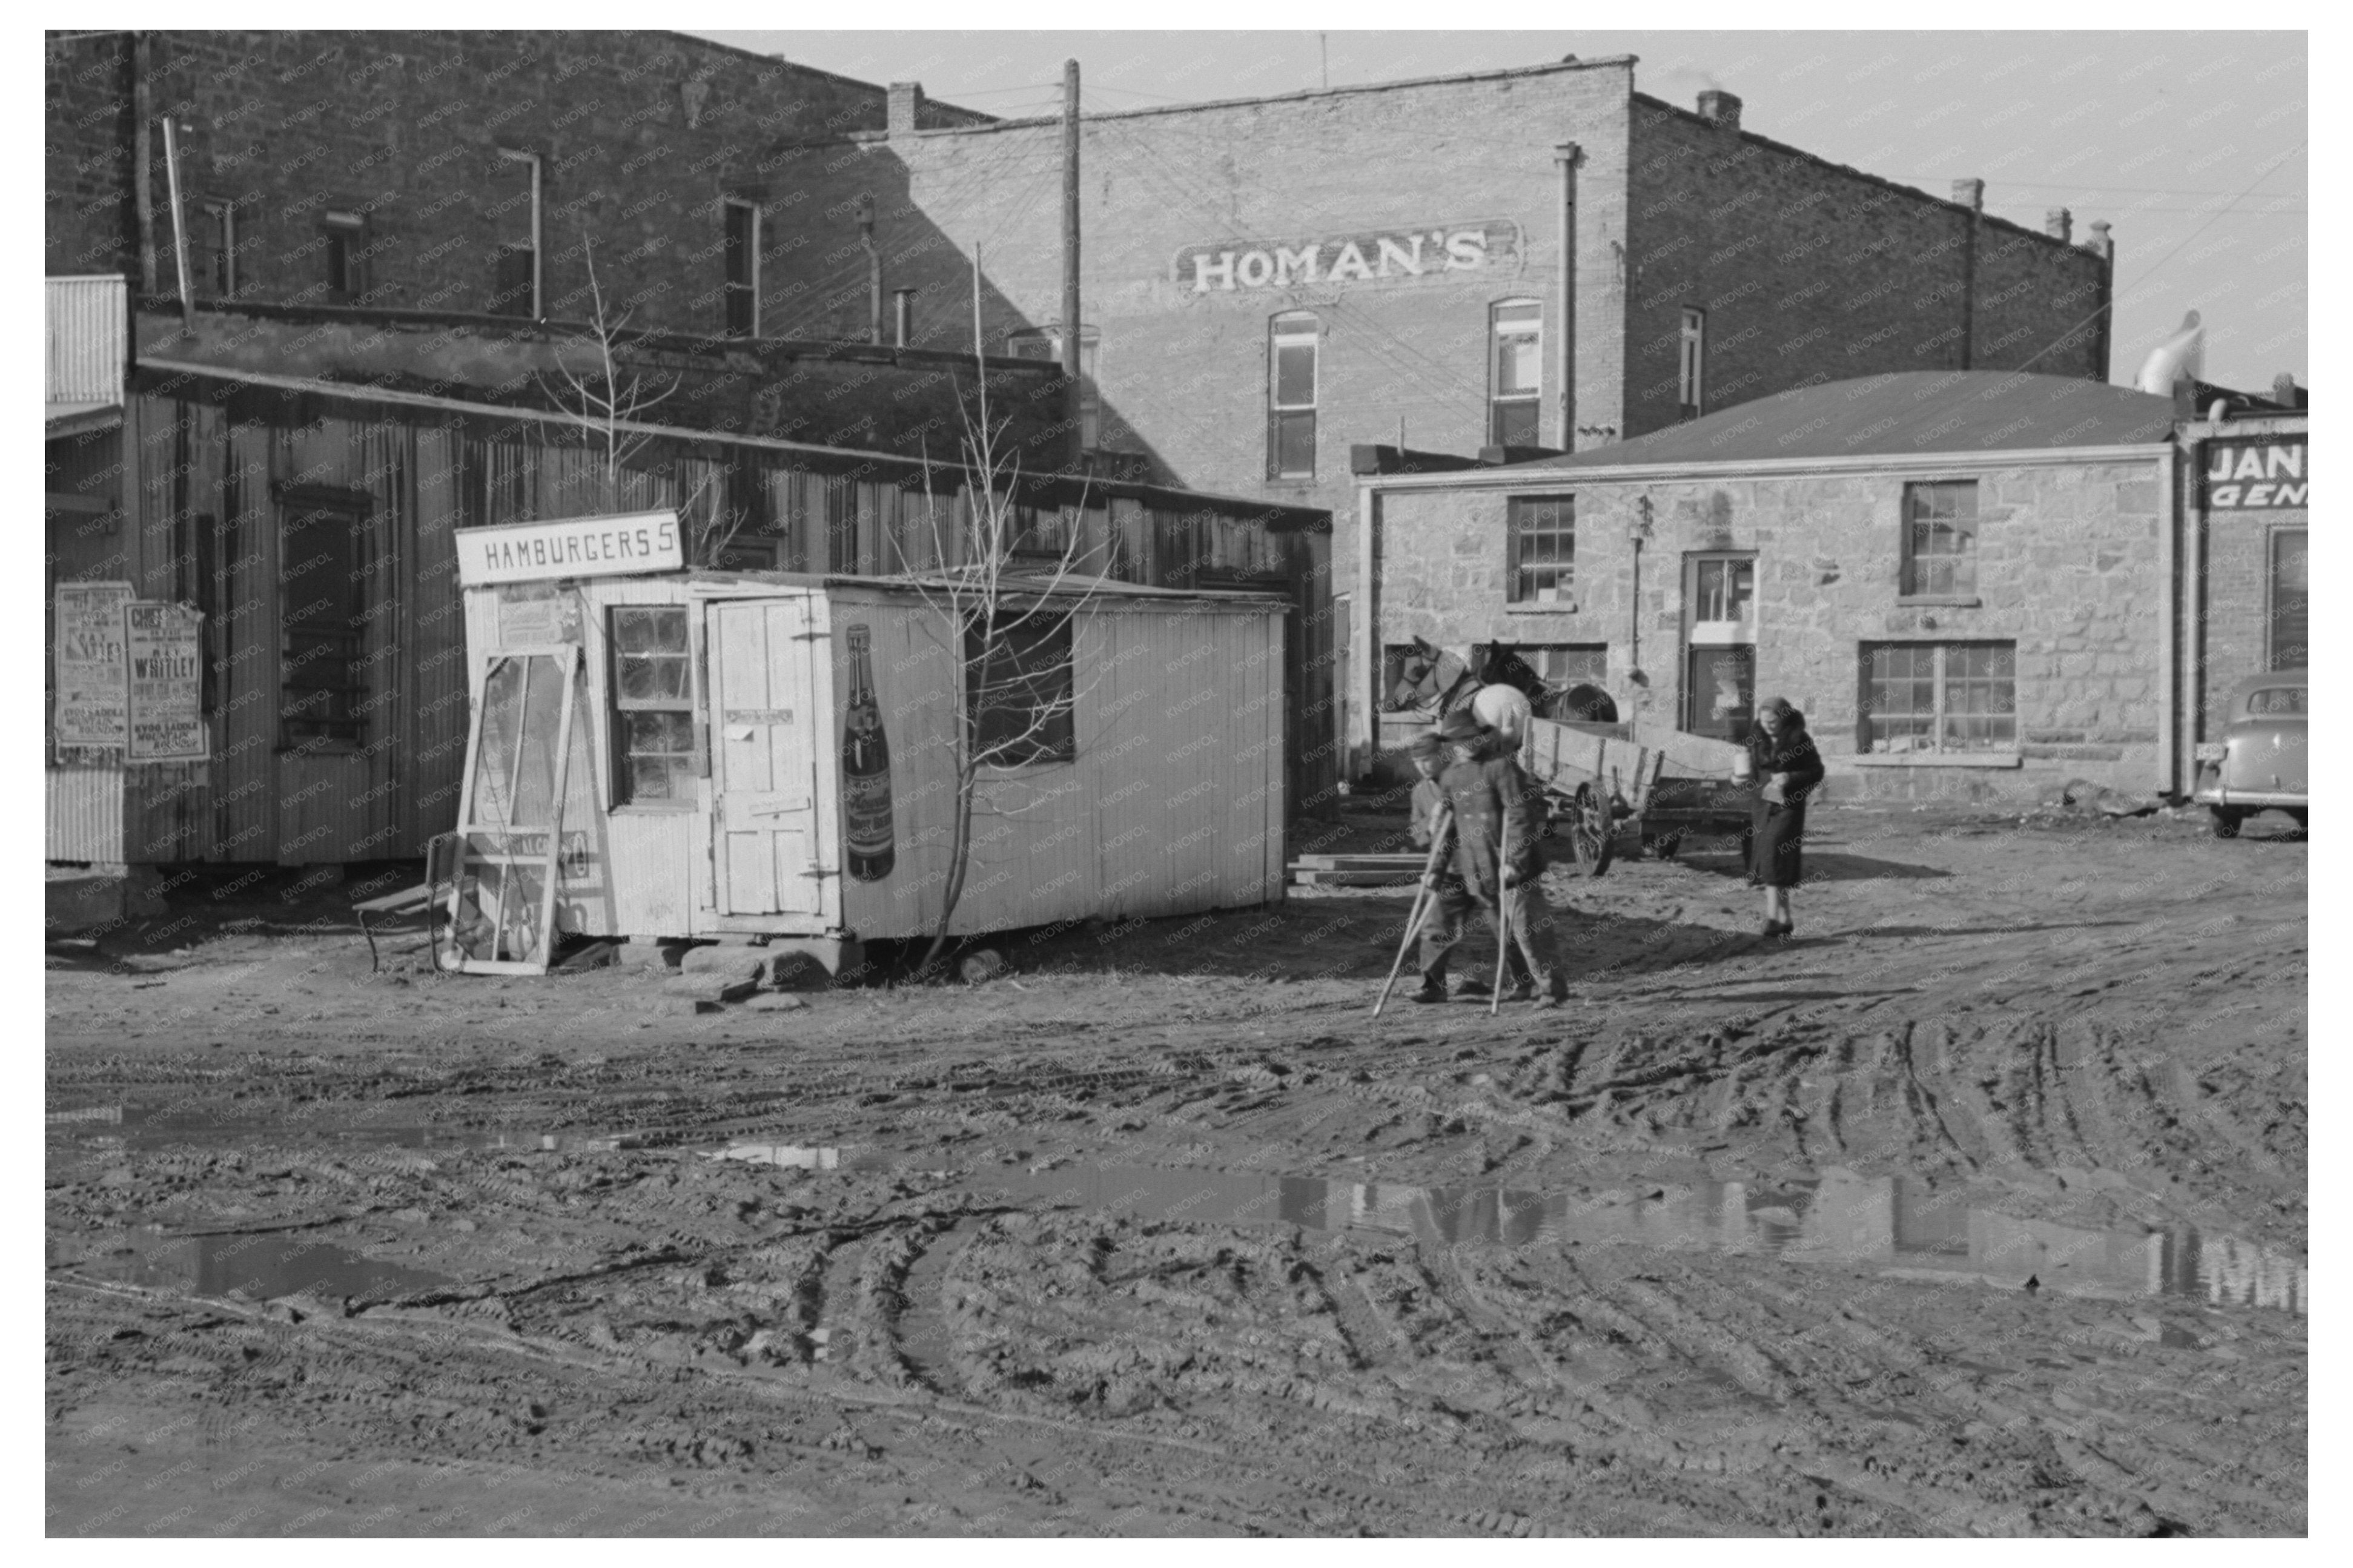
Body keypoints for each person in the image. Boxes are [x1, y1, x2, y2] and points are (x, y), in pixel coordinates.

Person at [1424, 709, 1570, 1006]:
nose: (1466, 744)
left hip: (1511, 869)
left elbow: (1520, 816)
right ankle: (1524, 985)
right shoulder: (1452, 776)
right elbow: (1447, 829)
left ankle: (1552, 991)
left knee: (1531, 933)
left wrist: (1515, 861)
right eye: (1458, 740)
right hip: (1477, 870)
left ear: (1480, 736)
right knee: (1505, 935)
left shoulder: (1502, 768)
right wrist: (1437, 869)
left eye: (1470, 737)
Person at [1403, 731, 1532, 1004]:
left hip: (1487, 867)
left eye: (1429, 759)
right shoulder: (1421, 793)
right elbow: (1418, 833)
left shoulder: (1467, 777)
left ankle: (1525, 983)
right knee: (1436, 927)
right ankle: (1433, 985)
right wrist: (1431, 826)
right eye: (1418, 762)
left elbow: (1505, 813)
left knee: (1504, 927)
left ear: (1443, 756)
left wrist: (1509, 858)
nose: (1424, 766)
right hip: (1450, 871)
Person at [1746, 696, 1826, 937]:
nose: (1768, 725)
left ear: (1784, 718)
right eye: (1764, 720)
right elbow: (1750, 771)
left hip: (1789, 806)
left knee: (1773, 854)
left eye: (1773, 721)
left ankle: (1772, 918)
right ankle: (1785, 919)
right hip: (1762, 805)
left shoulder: (1799, 739)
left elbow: (1816, 771)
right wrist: (1738, 778)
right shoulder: (1755, 737)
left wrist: (1790, 778)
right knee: (1773, 858)